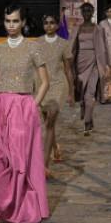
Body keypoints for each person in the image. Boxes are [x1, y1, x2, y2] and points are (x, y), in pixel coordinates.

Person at [0, 4, 51, 223]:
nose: (11, 25)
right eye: (8, 21)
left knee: (17, 162)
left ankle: (11, 208)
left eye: (15, 21)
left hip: (22, 107)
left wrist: (31, 106)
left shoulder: (34, 48)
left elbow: (45, 82)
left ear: (24, 22)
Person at [37, 13, 74, 177]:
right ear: (43, 25)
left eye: (52, 23)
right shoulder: (36, 43)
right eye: (46, 23)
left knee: (51, 121)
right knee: (47, 122)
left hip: (58, 85)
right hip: (41, 86)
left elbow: (68, 70)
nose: (49, 25)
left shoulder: (64, 45)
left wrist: (72, 93)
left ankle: (44, 165)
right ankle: (56, 148)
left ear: (57, 25)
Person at [73, 2, 108, 136]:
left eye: (89, 11)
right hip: (80, 64)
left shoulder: (99, 28)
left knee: (90, 94)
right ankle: (90, 118)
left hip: (94, 63)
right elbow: (71, 48)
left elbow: (105, 47)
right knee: (82, 96)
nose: (87, 13)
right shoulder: (76, 29)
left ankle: (87, 122)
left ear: (93, 12)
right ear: (81, 13)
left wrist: (108, 65)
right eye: (84, 11)